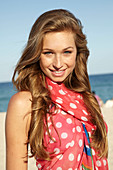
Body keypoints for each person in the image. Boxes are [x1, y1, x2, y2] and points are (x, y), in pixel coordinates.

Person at [5, 9, 108, 170]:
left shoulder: (86, 99)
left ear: (77, 53)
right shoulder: (24, 102)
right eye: (48, 53)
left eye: (67, 52)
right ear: (37, 54)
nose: (58, 63)